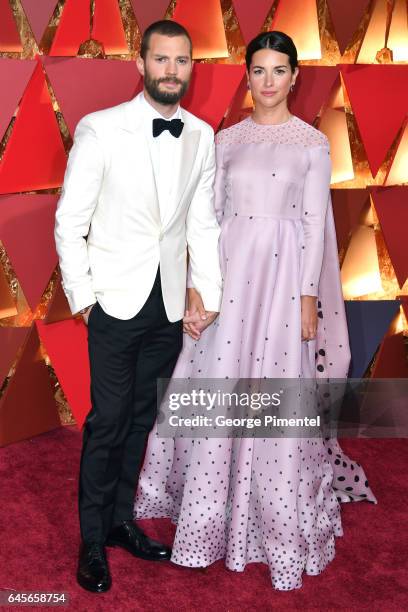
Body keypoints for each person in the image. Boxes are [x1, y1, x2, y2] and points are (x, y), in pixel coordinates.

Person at [134, 31, 377, 591]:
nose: (268, 81)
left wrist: (309, 300)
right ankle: (204, 514)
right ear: (247, 76)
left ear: (294, 77)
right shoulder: (226, 140)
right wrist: (199, 289)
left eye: (278, 71)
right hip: (229, 279)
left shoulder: (313, 145)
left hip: (283, 286)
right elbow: (207, 218)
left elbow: (315, 224)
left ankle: (269, 523)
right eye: (258, 70)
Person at [54, 20, 222, 593]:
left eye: (182, 61)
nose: (172, 70)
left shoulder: (201, 134)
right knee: (107, 422)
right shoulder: (100, 130)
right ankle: (91, 539)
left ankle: (122, 521)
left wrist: (210, 293)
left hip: (168, 306)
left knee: (141, 421)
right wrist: (84, 300)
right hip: (113, 302)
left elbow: (201, 222)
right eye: (161, 59)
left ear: (191, 67)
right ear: (140, 63)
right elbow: (69, 222)